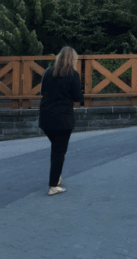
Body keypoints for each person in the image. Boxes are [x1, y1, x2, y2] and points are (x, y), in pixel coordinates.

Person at [39, 46, 84, 196]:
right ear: (72, 59)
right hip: (63, 119)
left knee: (56, 148)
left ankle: (56, 176)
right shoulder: (73, 75)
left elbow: (42, 91)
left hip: (46, 118)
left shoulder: (48, 72)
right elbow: (78, 97)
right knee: (59, 151)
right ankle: (53, 186)